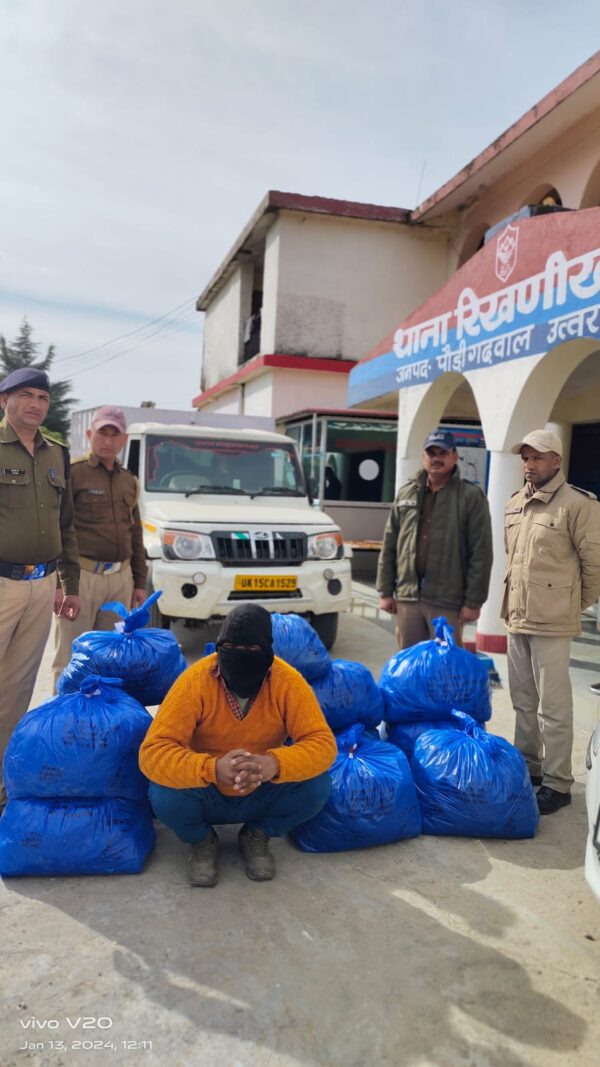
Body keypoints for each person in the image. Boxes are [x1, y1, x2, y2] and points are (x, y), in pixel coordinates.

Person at [139, 604, 335, 887]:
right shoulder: (195, 681)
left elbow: (323, 744)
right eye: (230, 647)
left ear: (267, 652)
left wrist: (274, 764)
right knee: (163, 792)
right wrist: (212, 768)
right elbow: (153, 751)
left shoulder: (287, 682)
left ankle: (257, 834)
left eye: (252, 649)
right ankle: (201, 840)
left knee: (317, 786)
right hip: (206, 792)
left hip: (262, 789)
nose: (241, 655)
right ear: (219, 648)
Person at [504, 429, 600, 815]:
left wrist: (569, 605)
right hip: (517, 616)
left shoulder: (578, 504)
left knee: (554, 707)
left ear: (557, 461)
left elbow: (594, 566)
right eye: (526, 458)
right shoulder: (515, 502)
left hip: (553, 622)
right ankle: (529, 769)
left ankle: (558, 783)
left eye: (538, 457)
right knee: (523, 701)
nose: (530, 465)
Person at [0, 367, 80, 807]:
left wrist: (68, 583)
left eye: (43, 398)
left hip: (42, 583)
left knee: (17, 690)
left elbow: (65, 525)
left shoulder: (58, 455)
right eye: (26, 395)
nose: (35, 404)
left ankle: (3, 783)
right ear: (4, 400)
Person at [52, 406, 147, 689]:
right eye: (102, 433)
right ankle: (64, 714)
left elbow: (135, 534)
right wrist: (60, 584)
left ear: (124, 439)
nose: (107, 440)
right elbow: (57, 529)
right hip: (81, 577)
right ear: (89, 434)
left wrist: (139, 583)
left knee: (111, 658)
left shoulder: (129, 481)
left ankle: (101, 714)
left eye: (114, 434)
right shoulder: (73, 473)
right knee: (71, 658)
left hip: (120, 581)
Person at [377, 429, 493, 649]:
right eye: (431, 453)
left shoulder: (470, 497)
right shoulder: (406, 493)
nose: (436, 459)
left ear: (454, 456)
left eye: (443, 453)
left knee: (445, 663)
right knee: (409, 661)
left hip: (447, 600)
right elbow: (390, 543)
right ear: (424, 457)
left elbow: (481, 552)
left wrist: (473, 601)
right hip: (408, 596)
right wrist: (385, 590)